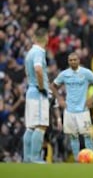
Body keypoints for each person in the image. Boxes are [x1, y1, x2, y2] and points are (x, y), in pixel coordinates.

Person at [50, 52, 93, 161]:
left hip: (83, 110)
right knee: (73, 137)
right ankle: (77, 161)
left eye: (75, 59)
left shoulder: (86, 73)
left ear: (79, 60)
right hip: (69, 110)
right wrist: (60, 99)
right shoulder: (64, 74)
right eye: (70, 60)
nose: (73, 62)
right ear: (68, 62)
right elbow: (53, 86)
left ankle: (91, 160)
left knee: (87, 135)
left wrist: (92, 98)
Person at [23, 28, 50, 163]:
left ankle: (27, 158)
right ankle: (34, 158)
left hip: (30, 90)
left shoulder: (29, 53)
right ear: (46, 38)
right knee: (40, 125)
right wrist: (41, 87)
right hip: (38, 92)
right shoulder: (39, 52)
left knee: (31, 126)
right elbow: (38, 69)